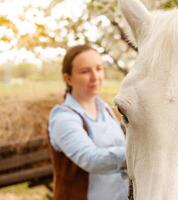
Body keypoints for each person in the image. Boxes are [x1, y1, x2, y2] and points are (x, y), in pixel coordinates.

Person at [48, 44, 128, 200]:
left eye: (99, 68)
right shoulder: (63, 117)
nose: (95, 76)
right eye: (85, 71)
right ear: (68, 79)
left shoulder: (105, 108)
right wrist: (136, 154)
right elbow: (90, 159)